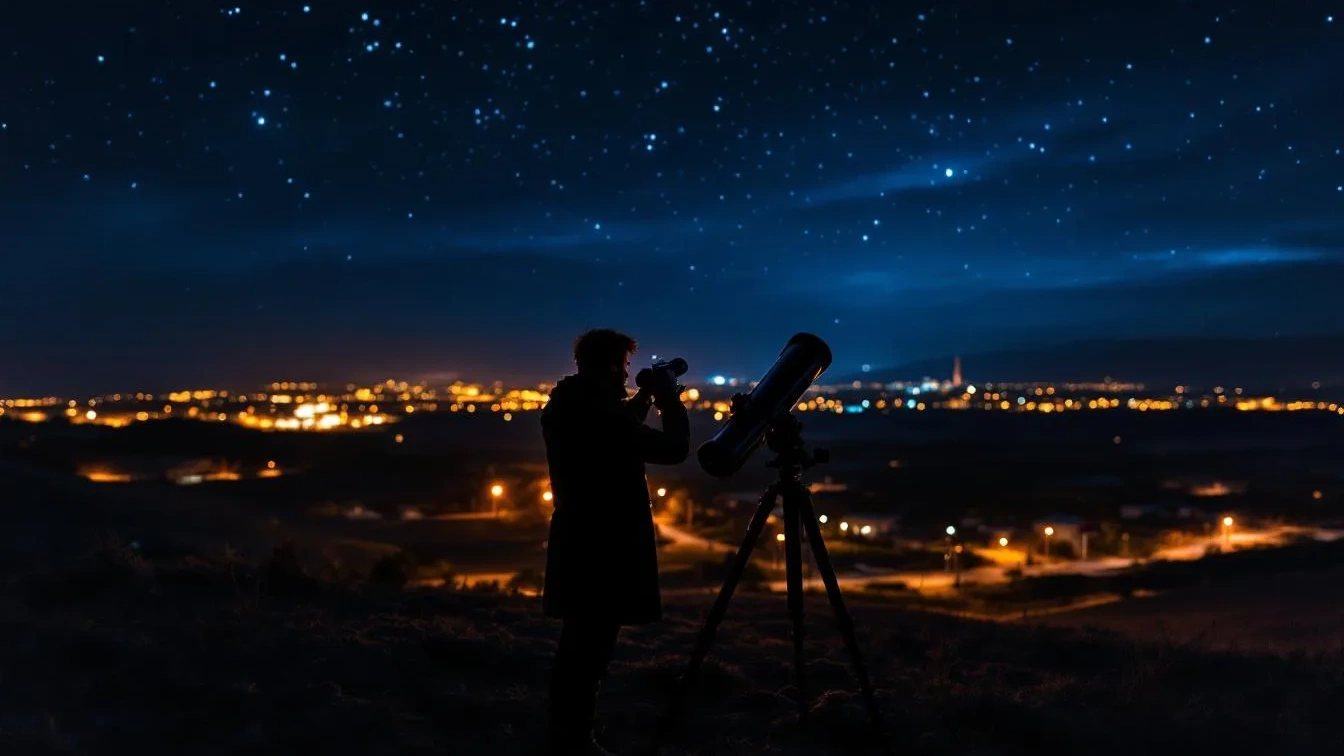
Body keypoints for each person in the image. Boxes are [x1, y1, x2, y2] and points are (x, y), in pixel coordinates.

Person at [540, 328, 690, 756]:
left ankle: (565, 735)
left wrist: (643, 400)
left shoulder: (570, 403)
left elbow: (618, 432)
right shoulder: (598, 414)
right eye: (625, 367)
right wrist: (668, 400)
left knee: (578, 646)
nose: (628, 377)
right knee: (589, 650)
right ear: (610, 366)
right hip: (604, 544)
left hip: (579, 537)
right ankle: (574, 741)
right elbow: (673, 448)